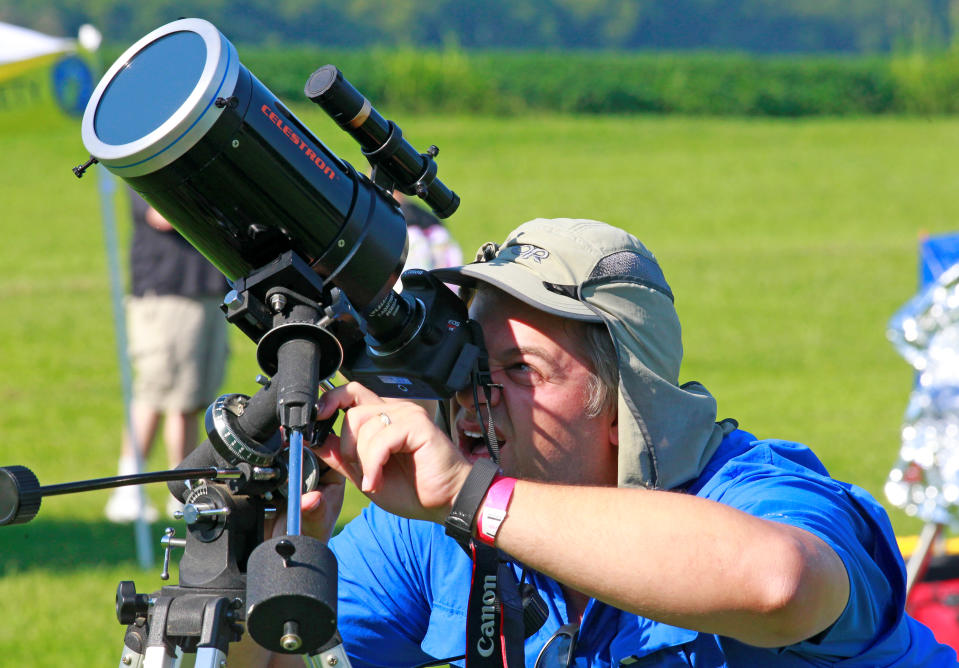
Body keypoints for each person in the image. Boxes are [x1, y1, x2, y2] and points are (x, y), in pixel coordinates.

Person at [242, 218, 957, 666]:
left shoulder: (757, 493)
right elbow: (283, 662)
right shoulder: (440, 525)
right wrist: (278, 553)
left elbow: (780, 585)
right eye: (468, 359)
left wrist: (475, 498)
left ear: (626, 405)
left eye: (520, 370)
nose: (471, 391)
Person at [104, 190, 230, 523]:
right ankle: (128, 489)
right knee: (158, 392)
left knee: (189, 401)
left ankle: (182, 488)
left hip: (207, 289)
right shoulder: (148, 165)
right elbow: (161, 217)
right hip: (167, 293)